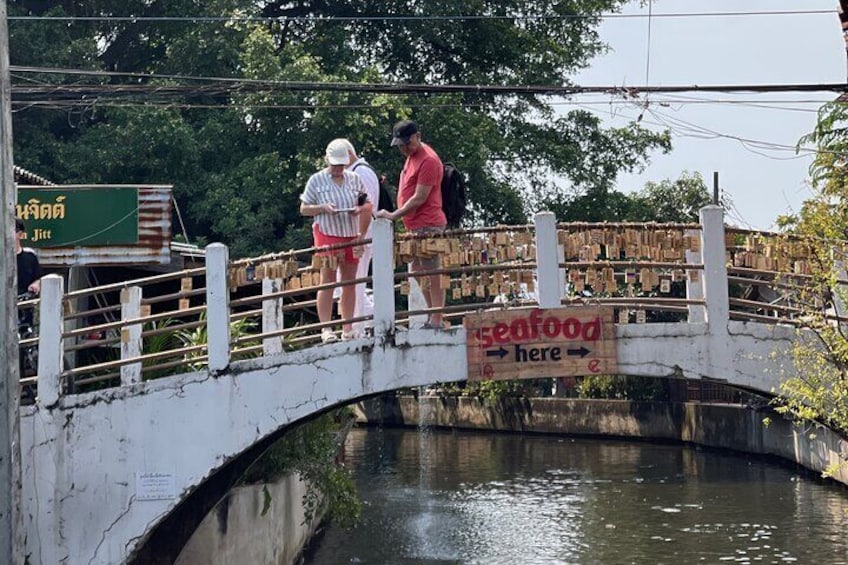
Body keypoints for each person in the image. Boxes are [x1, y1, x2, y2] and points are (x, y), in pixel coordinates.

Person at [375, 120, 447, 329]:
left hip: (429, 223)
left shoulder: (429, 160)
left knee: (432, 269)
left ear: (418, 136)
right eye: (400, 145)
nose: (404, 148)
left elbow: (420, 197)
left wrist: (393, 215)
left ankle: (436, 317)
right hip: (414, 225)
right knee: (416, 270)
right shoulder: (412, 158)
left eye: (407, 143)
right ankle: (432, 313)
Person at [300, 139, 373, 343]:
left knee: (349, 283)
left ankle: (347, 327)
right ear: (327, 161)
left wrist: (359, 210)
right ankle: (326, 328)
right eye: (335, 165)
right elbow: (304, 208)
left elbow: (367, 203)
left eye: (341, 165)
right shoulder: (316, 180)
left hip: (350, 234)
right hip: (327, 233)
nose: (338, 169)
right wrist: (322, 208)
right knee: (328, 281)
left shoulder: (354, 179)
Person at [335, 139, 380, 338]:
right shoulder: (355, 173)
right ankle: (359, 325)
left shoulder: (361, 173)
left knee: (354, 283)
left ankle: (358, 329)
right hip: (353, 237)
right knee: (350, 284)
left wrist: (360, 237)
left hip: (360, 237)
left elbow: (366, 208)